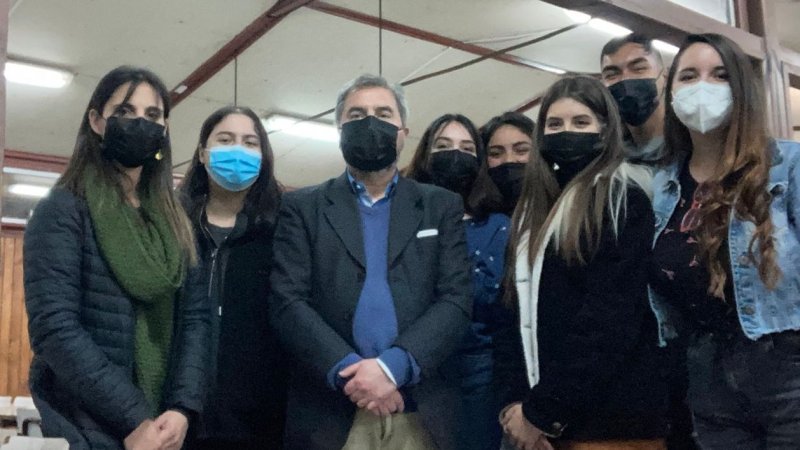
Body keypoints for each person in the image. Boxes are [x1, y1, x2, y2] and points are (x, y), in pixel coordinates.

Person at [268, 74, 472, 450]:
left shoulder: (439, 205)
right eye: (357, 114)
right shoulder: (303, 207)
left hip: (420, 409)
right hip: (331, 411)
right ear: (340, 129)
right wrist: (354, 376)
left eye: (383, 113)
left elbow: (456, 299)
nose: (370, 122)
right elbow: (287, 301)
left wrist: (393, 368)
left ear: (402, 131)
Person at [23, 66, 209, 450]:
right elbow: (54, 327)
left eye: (153, 116)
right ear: (96, 120)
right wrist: (134, 417)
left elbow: (195, 319)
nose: (140, 123)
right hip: (87, 424)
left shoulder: (177, 220)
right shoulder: (63, 209)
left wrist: (181, 408)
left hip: (166, 426)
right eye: (124, 112)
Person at [499, 75, 667, 450]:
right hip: (540, 418)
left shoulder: (622, 197)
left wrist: (542, 411)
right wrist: (517, 403)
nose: (566, 133)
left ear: (605, 129)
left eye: (581, 123)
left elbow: (609, 318)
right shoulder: (533, 209)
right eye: (554, 125)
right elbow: (513, 314)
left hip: (610, 421)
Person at [651, 33, 800, 449]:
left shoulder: (788, 166)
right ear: (672, 92)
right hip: (706, 372)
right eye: (688, 76)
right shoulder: (662, 184)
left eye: (720, 75)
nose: (703, 87)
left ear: (741, 89)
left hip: (787, 368)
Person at [179, 105, 286, 449]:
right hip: (177, 416)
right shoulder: (174, 227)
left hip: (260, 421)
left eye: (250, 142)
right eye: (225, 140)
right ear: (202, 153)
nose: (238, 150)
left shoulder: (283, 232)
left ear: (263, 156)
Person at [405, 113, 510, 450]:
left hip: (477, 373)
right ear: (425, 154)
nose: (455, 154)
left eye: (467, 148)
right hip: (410, 369)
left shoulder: (498, 226)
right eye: (444, 145)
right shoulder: (398, 219)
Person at [601, 33, 668, 164]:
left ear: (665, 77)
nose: (625, 79)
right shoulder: (606, 155)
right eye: (611, 75)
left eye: (639, 69)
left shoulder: (691, 144)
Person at [479, 112, 535, 215]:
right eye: (495, 153)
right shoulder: (477, 216)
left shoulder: (560, 203)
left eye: (521, 150)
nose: (509, 159)